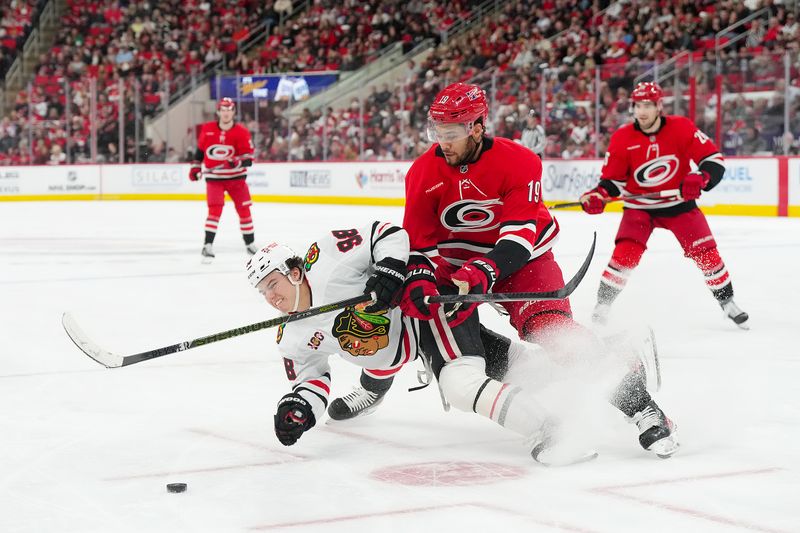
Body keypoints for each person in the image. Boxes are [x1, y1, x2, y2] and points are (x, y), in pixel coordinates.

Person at [401, 82, 678, 463]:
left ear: (477, 126)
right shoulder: (421, 172)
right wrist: (420, 278)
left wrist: (484, 270)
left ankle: (644, 409)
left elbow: (518, 241)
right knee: (459, 353)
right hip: (457, 271)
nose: (442, 142)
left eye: (451, 133)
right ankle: (601, 364)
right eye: (437, 132)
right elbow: (419, 246)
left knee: (552, 332)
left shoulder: (520, 162)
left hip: (524, 263)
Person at [579, 81, 749, 329]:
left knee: (707, 254)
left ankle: (728, 303)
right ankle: (603, 305)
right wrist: (600, 194)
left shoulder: (681, 127)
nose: (642, 111)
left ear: (659, 105)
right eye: (637, 105)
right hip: (640, 208)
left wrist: (700, 178)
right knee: (624, 256)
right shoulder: (622, 137)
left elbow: (714, 160)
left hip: (679, 205)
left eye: (647, 105)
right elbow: (612, 181)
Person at [190, 97, 257, 262]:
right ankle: (207, 246)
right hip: (214, 179)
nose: (226, 113)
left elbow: (249, 158)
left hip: (237, 179)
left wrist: (237, 161)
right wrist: (196, 167)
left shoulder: (242, 132)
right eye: (223, 110)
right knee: (214, 211)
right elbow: (199, 152)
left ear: (233, 112)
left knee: (244, 211)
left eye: (229, 110)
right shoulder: (207, 129)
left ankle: (250, 244)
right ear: (218, 111)